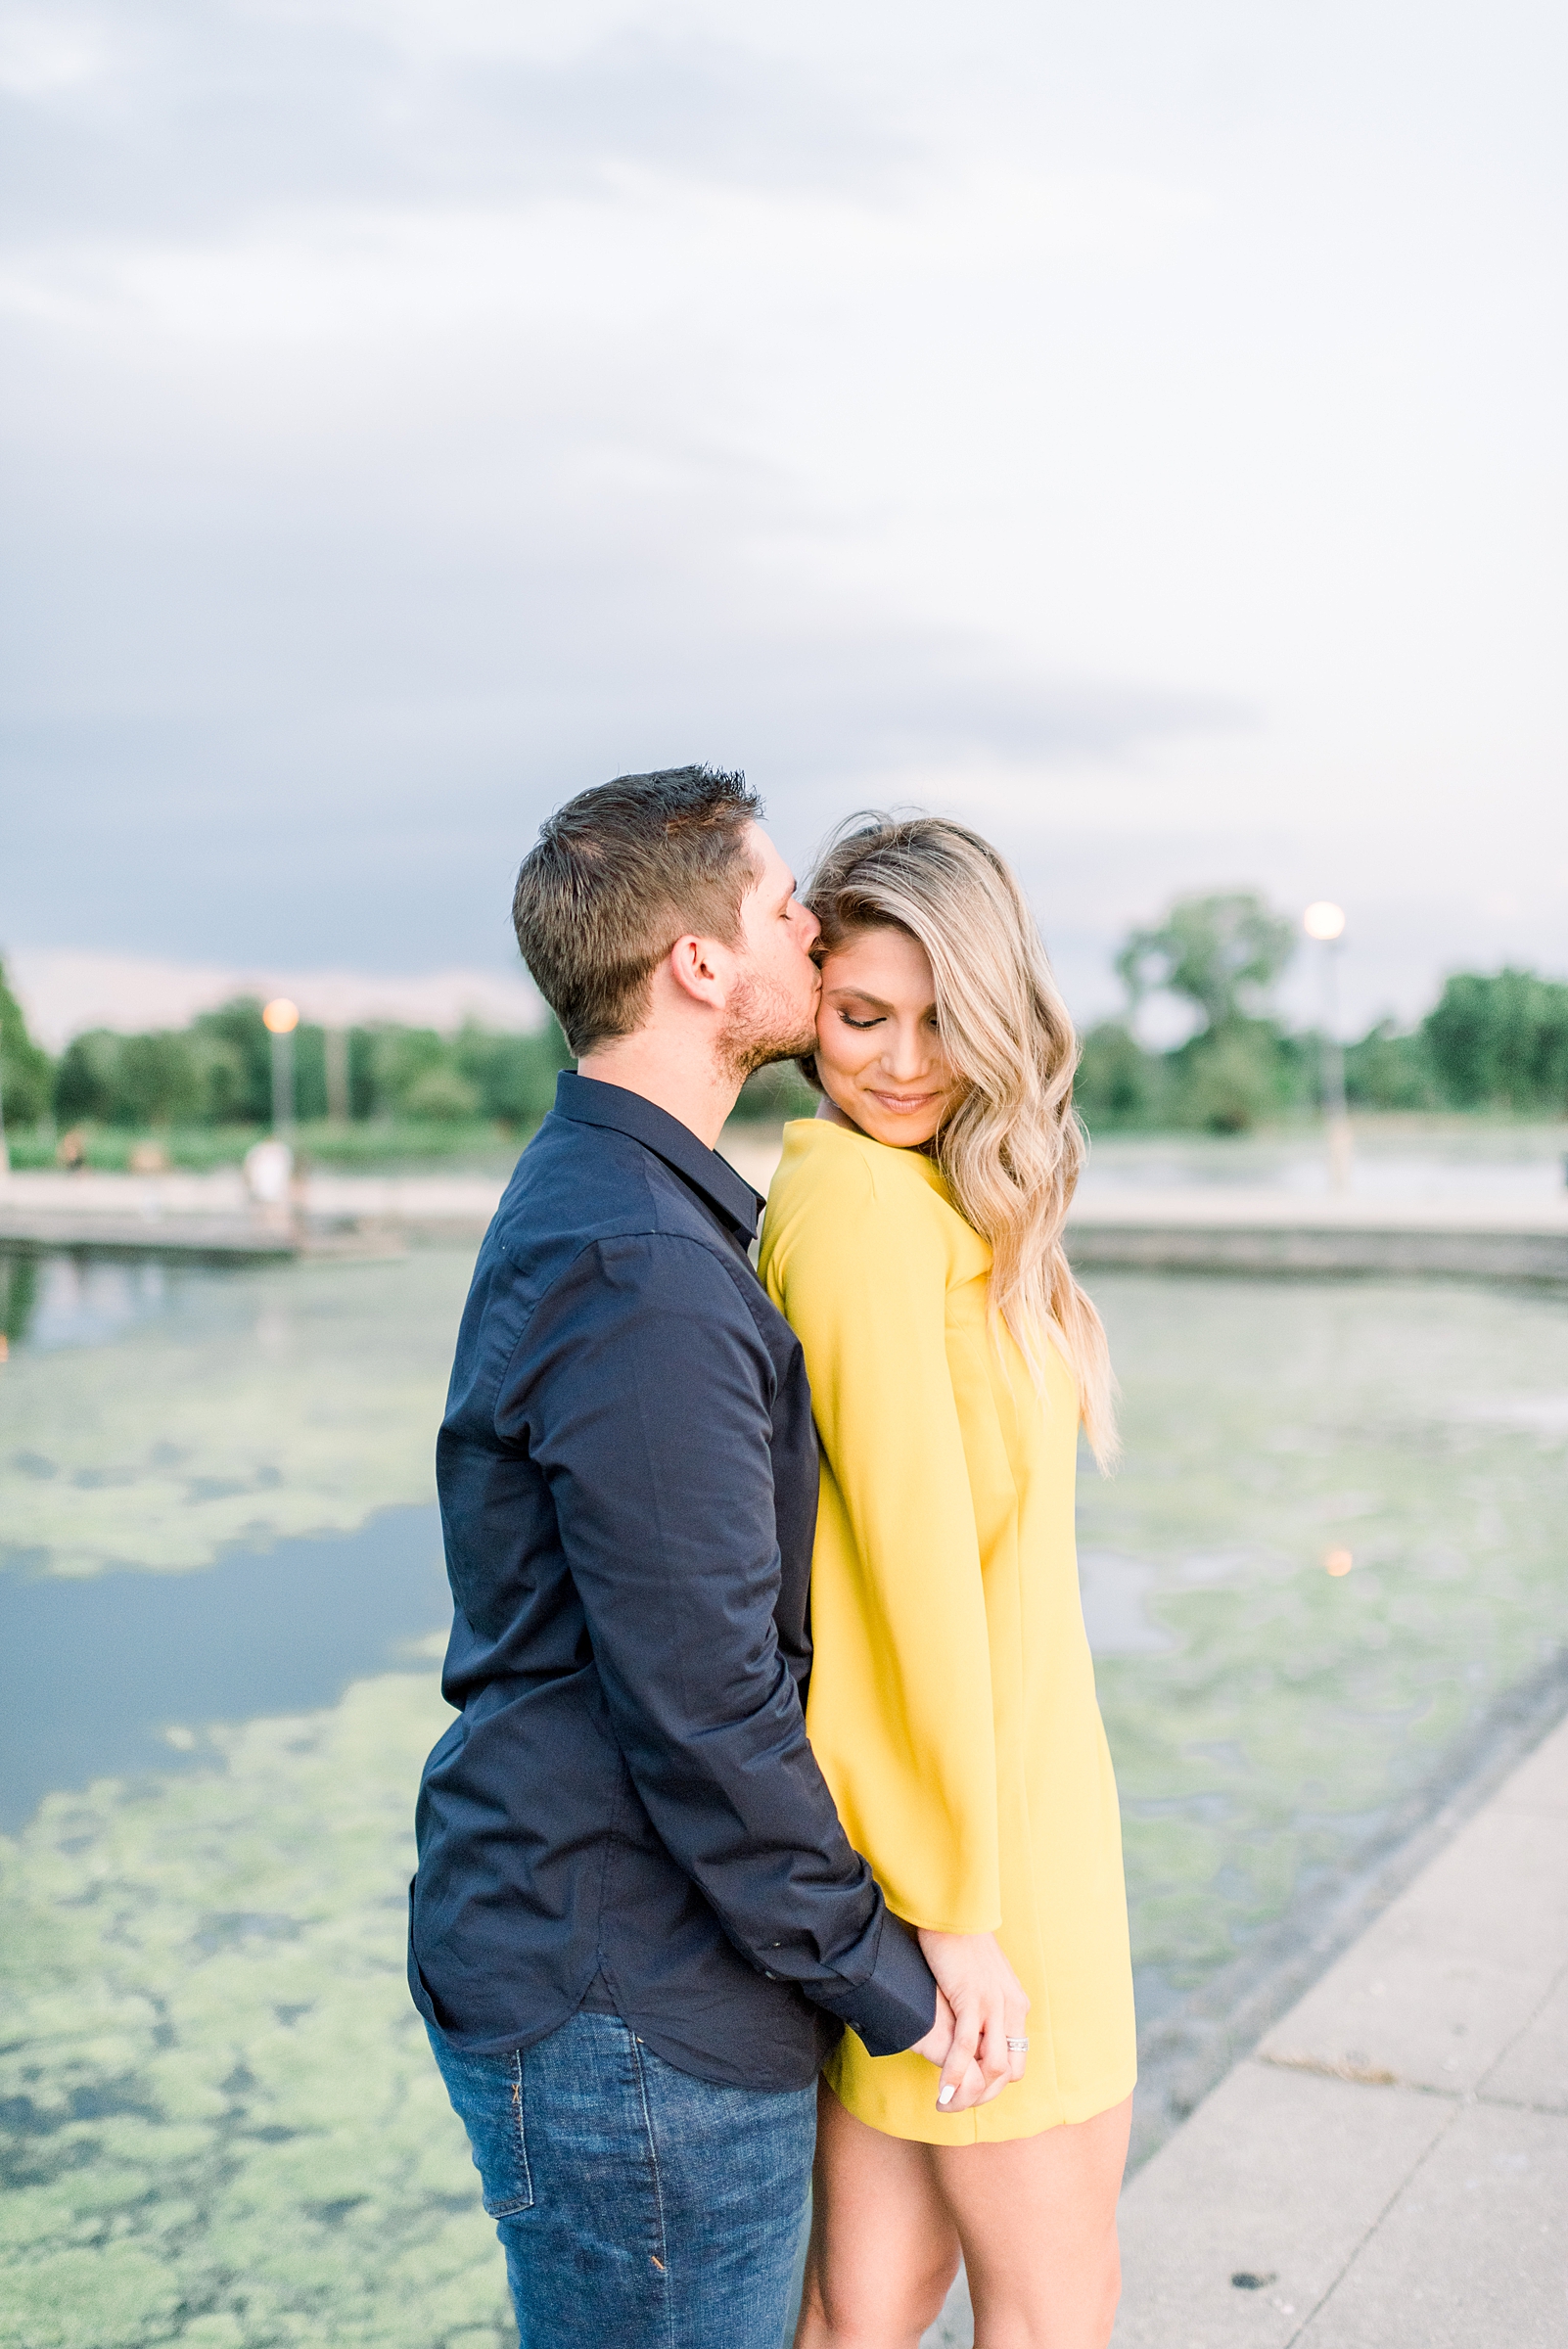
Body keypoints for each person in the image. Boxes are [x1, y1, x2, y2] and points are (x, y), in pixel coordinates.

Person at [408, 769, 1002, 2349]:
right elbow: (701, 1705)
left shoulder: (630, 1206)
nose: (812, 931)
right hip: (630, 2010)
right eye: (781, 909)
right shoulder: (641, 1264)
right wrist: (890, 1971)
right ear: (699, 967)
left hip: (632, 1976)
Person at [760, 814, 1137, 2349]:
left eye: (941, 1022)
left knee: (870, 2310)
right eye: (860, 1017)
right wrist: (958, 1911)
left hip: (966, 1845)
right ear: (809, 1011)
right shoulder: (854, 1208)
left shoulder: (941, 1209)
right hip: (988, 1873)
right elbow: (903, 1579)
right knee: (1054, 2312)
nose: (904, 1062)